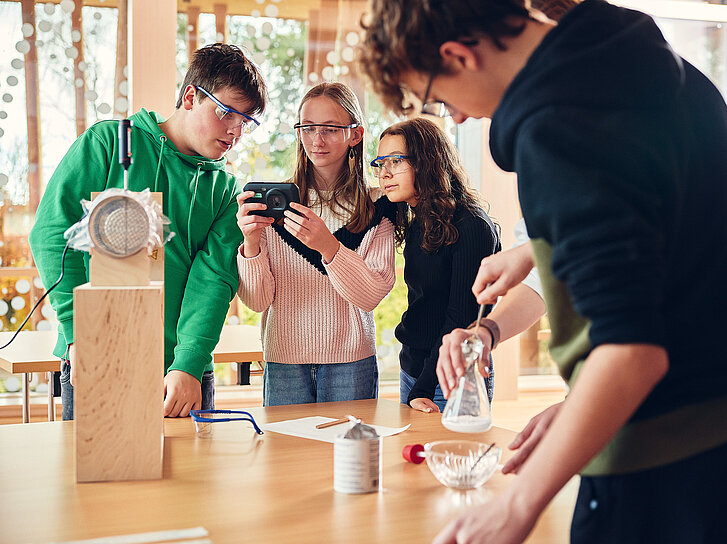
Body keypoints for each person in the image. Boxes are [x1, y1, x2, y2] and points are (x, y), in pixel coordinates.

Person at [359, 1, 727, 543]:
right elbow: (669, 246)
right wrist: (537, 253)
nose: (454, 117)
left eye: (439, 97)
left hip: (654, 455)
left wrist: (520, 504)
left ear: (459, 54)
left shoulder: (557, 130)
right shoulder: (652, 70)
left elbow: (631, 352)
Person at [29, 43, 267, 420]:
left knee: (188, 480)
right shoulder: (109, 144)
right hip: (99, 355)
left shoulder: (225, 190)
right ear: (190, 97)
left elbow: (214, 280)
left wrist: (188, 364)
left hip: (182, 376)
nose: (236, 131)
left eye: (246, 122)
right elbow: (52, 232)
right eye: (227, 113)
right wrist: (78, 331)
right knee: (99, 479)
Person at [236, 82, 396, 406]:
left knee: (351, 456)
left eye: (330, 129)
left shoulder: (378, 205)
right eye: (307, 128)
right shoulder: (274, 203)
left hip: (352, 361)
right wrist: (251, 243)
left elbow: (371, 296)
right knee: (288, 457)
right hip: (284, 360)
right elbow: (257, 301)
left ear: (355, 134)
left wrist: (329, 247)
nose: (316, 140)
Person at [372, 117, 500, 413]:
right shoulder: (417, 213)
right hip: (414, 370)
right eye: (380, 164)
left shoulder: (471, 226)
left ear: (426, 161)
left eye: (395, 161)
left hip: (450, 377)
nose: (385, 174)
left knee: (452, 460)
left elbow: (462, 317)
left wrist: (424, 387)